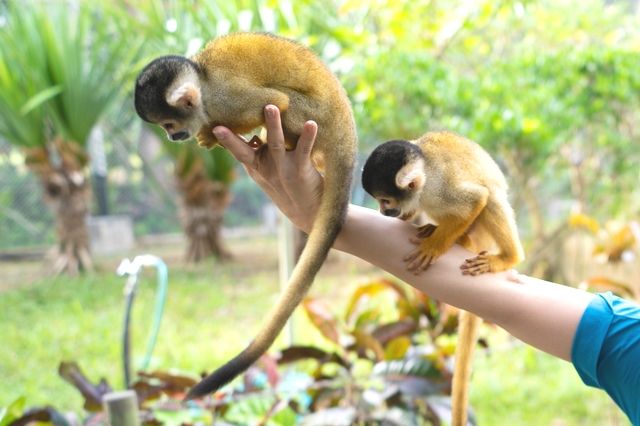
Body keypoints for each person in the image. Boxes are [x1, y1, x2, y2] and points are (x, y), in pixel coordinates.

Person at [213, 105, 640, 425]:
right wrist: (325, 217)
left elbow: (476, 205)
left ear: (413, 185)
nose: (384, 211)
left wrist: (441, 246)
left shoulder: (441, 189)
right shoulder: (629, 347)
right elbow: (509, 297)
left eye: (387, 203)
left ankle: (504, 252)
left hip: (483, 210)